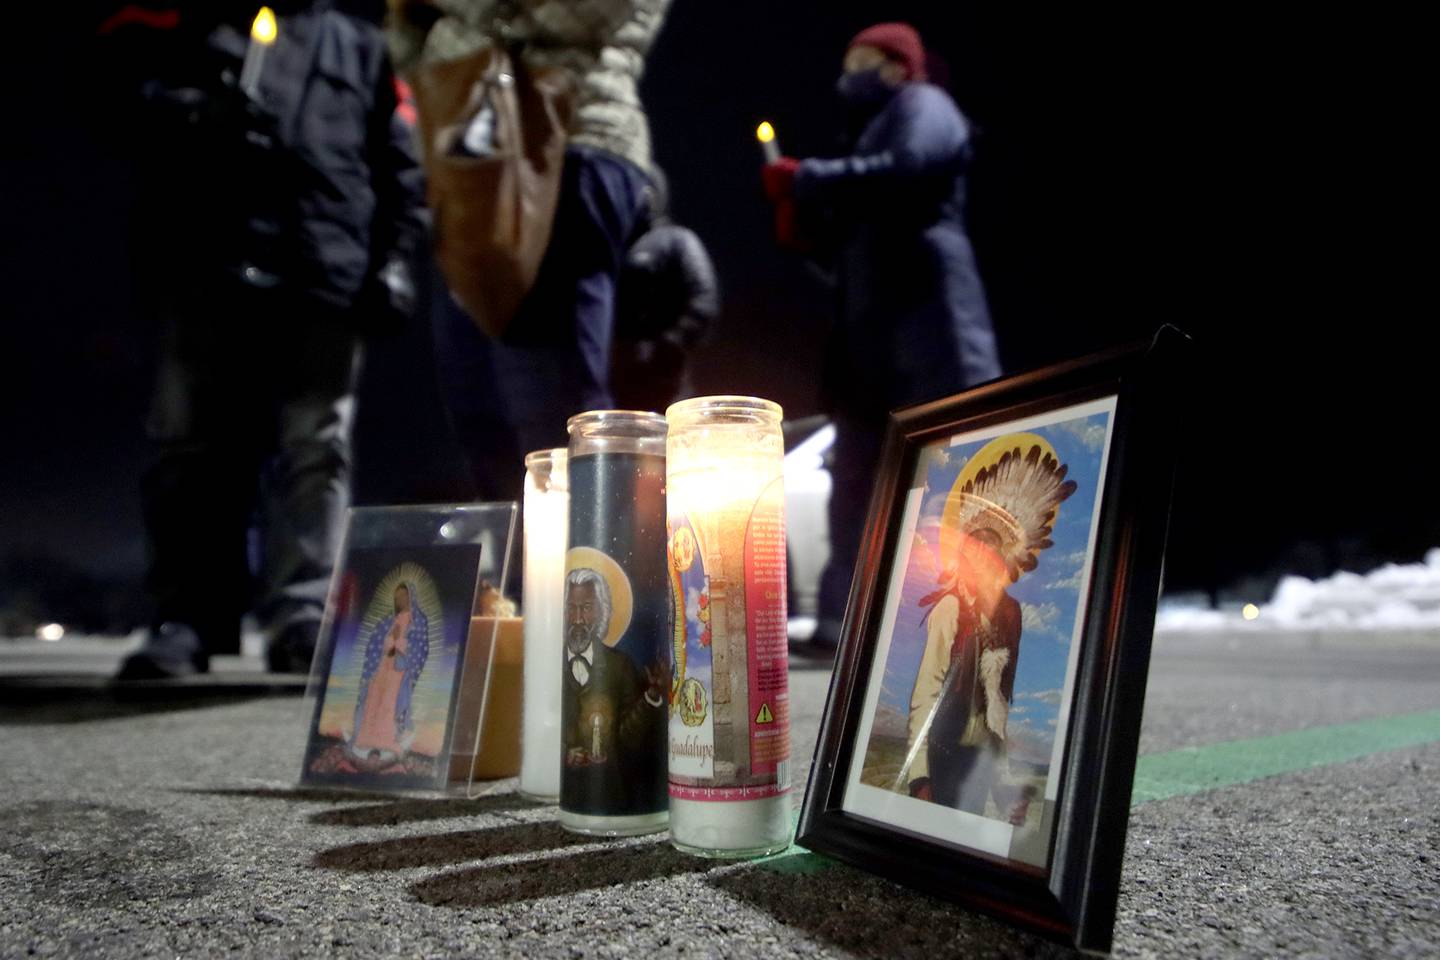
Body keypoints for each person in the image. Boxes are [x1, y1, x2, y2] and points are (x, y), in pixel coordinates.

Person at [106, 1, 427, 678]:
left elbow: (404, 166)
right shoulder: (181, 18)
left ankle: (303, 615)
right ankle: (187, 617)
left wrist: (395, 260)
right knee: (190, 448)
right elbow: (106, 92)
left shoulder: (364, 49)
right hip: (201, 263)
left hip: (324, 274)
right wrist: (191, 111)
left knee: (315, 449)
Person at [762, 22, 1002, 653]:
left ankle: (973, 618)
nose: (853, 72)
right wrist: (809, 230)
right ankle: (847, 621)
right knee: (859, 478)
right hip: (871, 338)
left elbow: (913, 165)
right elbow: (853, 244)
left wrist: (810, 176)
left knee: (952, 461)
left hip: (931, 321)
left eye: (865, 59)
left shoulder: (924, 106)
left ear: (899, 65)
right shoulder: (870, 132)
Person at [389, 0, 672, 502]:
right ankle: (523, 572)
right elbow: (406, 30)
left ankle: (596, 570)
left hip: (570, 140)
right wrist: (435, 63)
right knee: (477, 404)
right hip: (469, 150)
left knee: (549, 407)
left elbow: (583, 12)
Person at [901, 435, 1077, 823]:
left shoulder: (1006, 618)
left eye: (991, 549)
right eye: (974, 545)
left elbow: (994, 717)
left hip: (975, 763)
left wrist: (1004, 790)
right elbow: (926, 695)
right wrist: (920, 778)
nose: (982, 555)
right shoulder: (950, 608)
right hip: (942, 757)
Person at [611, 169, 720, 412]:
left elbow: (704, 299)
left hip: (666, 375)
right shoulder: (613, 249)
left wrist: (671, 344)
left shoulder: (676, 240)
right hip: (618, 377)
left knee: (669, 436)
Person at [561, 567, 666, 813]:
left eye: (586, 608)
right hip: (563, 796)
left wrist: (652, 697)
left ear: (601, 611)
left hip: (610, 795)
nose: (577, 619)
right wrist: (565, 754)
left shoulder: (619, 665)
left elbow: (629, 739)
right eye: (571, 608)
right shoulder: (549, 660)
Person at [352, 582, 430, 758]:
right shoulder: (389, 620)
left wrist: (399, 643)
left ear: (411, 597)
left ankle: (386, 738)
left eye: (404, 596)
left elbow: (420, 647)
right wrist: (389, 643)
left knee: (390, 703)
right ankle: (366, 736)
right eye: (397, 597)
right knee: (374, 699)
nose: (400, 600)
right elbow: (377, 642)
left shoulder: (418, 621)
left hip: (399, 671)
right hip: (381, 668)